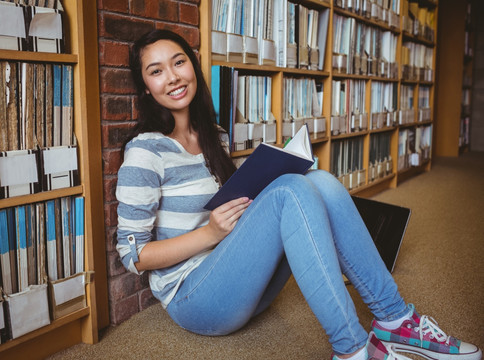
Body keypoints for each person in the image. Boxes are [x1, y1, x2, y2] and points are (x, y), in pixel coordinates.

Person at [115, 29, 481, 360]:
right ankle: (353, 350)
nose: (174, 76)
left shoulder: (215, 135)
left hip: (241, 282)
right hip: (194, 299)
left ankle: (395, 318)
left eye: (179, 62)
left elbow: (241, 209)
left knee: (317, 180)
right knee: (290, 191)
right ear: (146, 86)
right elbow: (133, 256)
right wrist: (210, 233)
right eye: (157, 70)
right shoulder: (146, 151)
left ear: (193, 67)